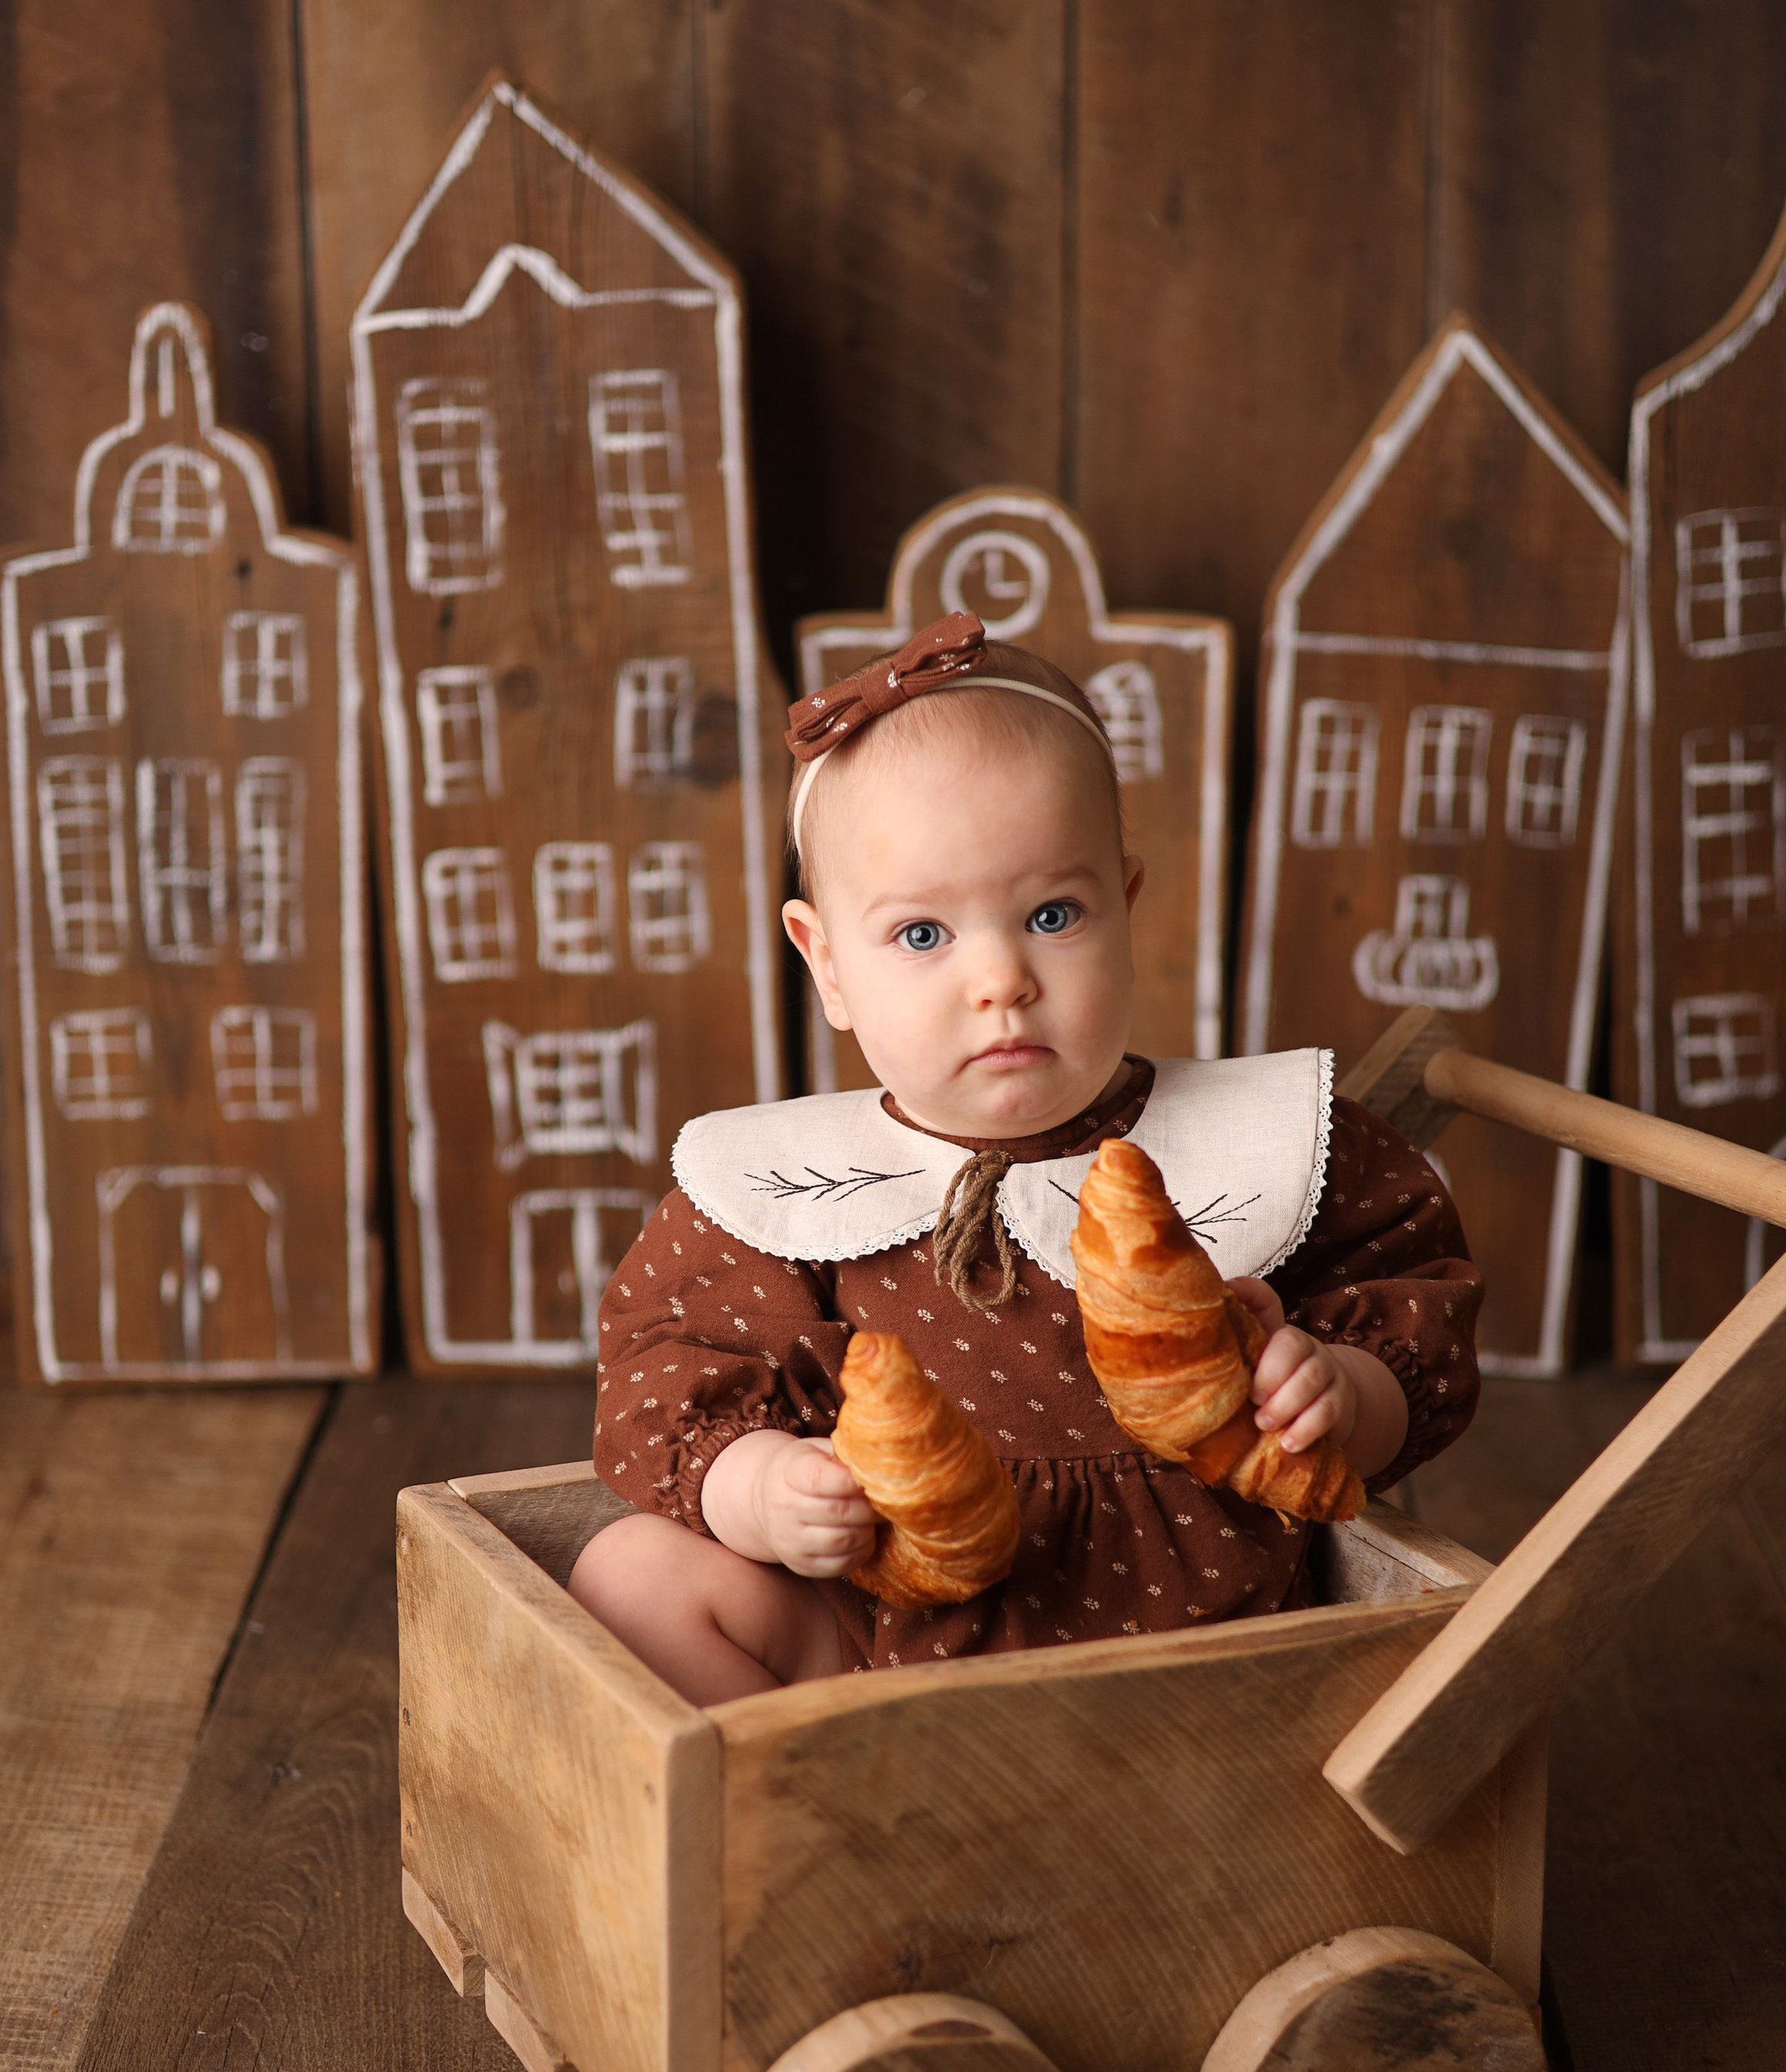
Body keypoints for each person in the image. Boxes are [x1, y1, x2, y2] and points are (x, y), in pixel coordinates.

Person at [570, 611, 1480, 1704]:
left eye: (1054, 913)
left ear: (1126, 907)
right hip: (876, 1655)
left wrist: (1343, 1389)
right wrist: (759, 1487)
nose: (1001, 977)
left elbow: (1414, 1306)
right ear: (827, 964)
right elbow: (664, 1367)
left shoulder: (1245, 1146)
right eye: (922, 936)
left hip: (1205, 1645)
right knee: (627, 1577)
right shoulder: (788, 1191)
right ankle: (806, 1811)